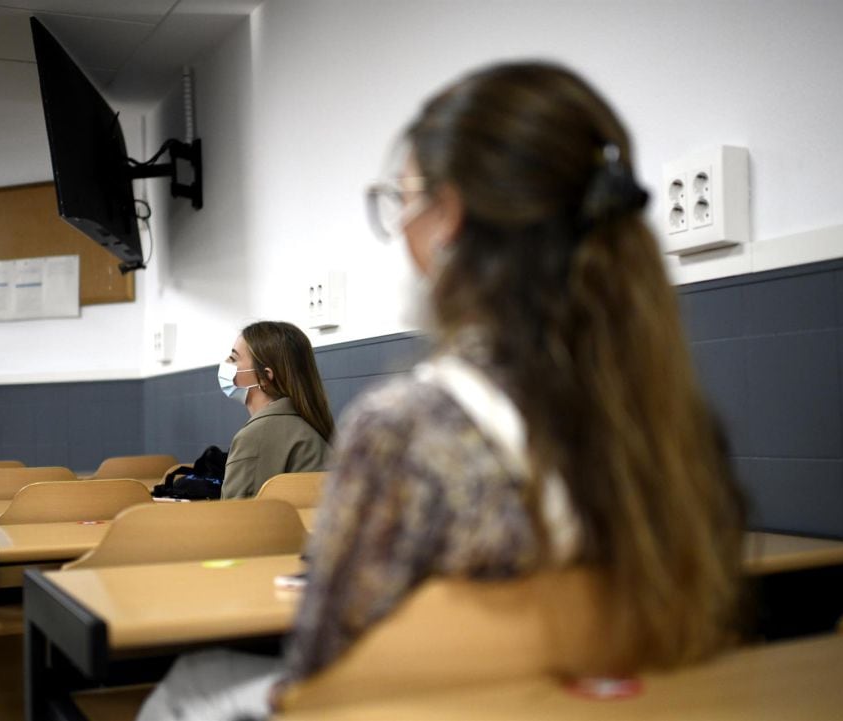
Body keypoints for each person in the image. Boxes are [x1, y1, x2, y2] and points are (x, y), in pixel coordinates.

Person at [137, 61, 745, 720]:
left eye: (402, 201)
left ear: (447, 216)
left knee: (191, 681)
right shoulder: (670, 415)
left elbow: (326, 674)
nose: (398, 227)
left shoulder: (405, 428)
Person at [217, 320, 334, 499]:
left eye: (233, 358)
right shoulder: (311, 426)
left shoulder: (253, 437)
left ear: (265, 377)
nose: (225, 363)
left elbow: (233, 518)